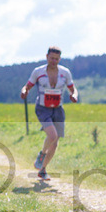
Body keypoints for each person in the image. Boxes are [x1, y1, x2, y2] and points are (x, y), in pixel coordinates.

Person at [21, 46, 78, 180]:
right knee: (52, 136)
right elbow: (27, 86)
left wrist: (74, 95)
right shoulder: (38, 71)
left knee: (55, 142)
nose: (54, 61)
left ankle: (43, 169)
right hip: (43, 108)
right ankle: (42, 154)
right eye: (52, 58)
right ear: (47, 57)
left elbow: (73, 89)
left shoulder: (65, 73)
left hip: (57, 109)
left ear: (60, 59)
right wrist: (24, 91)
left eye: (56, 59)